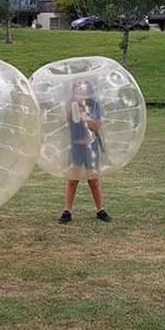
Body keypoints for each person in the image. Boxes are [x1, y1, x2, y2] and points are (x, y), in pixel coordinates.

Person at [58, 80, 110, 224]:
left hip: (91, 146)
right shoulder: (70, 105)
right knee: (72, 180)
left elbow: (98, 126)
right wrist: (74, 107)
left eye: (84, 90)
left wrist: (86, 116)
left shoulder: (94, 105)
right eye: (78, 90)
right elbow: (62, 120)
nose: (81, 93)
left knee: (93, 180)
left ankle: (101, 210)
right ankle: (67, 211)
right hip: (75, 146)